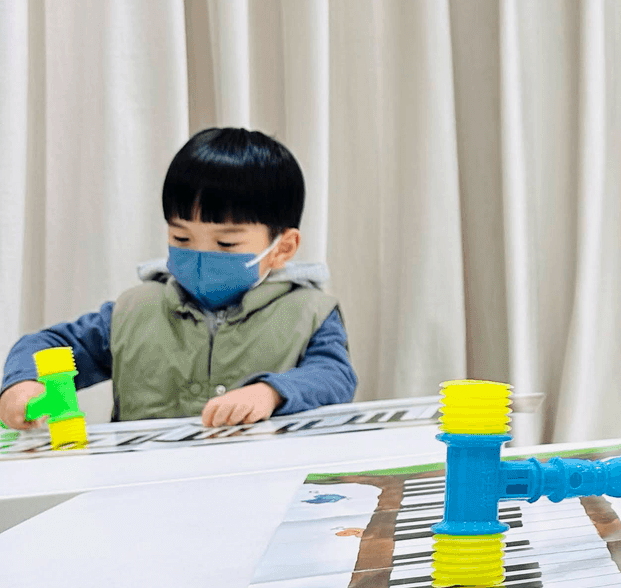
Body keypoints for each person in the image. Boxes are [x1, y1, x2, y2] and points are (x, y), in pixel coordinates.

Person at [1, 127, 356, 430]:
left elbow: (334, 376)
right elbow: (51, 344)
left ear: (283, 247)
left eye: (227, 243)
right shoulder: (134, 310)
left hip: (263, 488)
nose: (201, 255)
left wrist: (271, 392)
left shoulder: (311, 312)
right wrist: (24, 383)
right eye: (182, 239)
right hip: (143, 493)